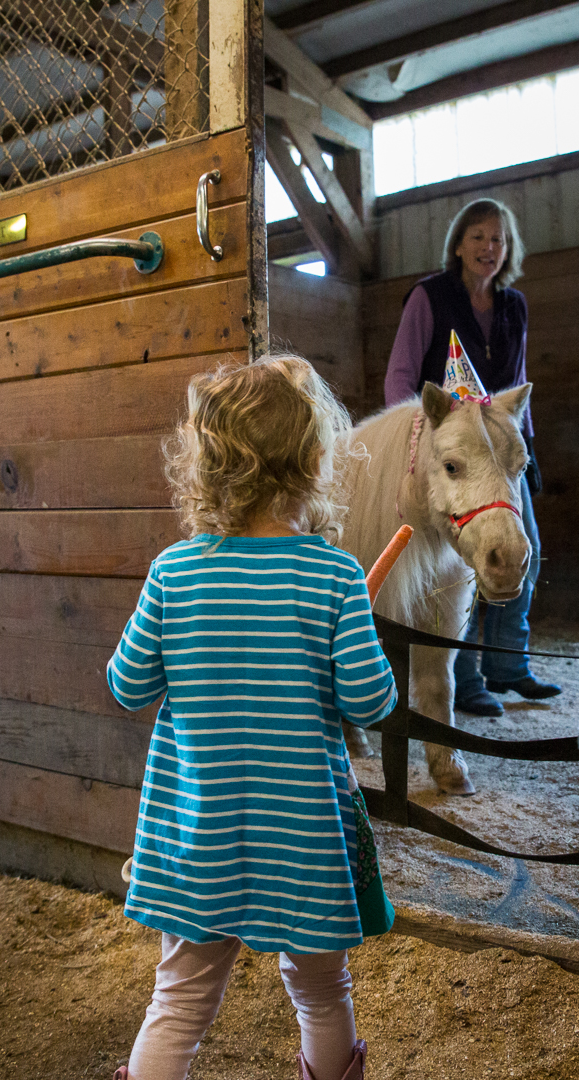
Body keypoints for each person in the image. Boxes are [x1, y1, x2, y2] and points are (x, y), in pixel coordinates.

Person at [106, 355, 397, 1080]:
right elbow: (371, 703)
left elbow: (127, 685)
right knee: (324, 995)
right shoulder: (332, 576)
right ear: (313, 460)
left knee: (177, 1002)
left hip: (198, 838)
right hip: (302, 841)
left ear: (205, 466)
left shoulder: (173, 571)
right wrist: (358, 628)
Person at [384, 198, 560, 717]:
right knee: (451, 565)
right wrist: (413, 444)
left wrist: (526, 458)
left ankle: (509, 665)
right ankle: (466, 675)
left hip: (499, 451)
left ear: (509, 251)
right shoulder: (427, 297)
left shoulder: (515, 306)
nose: (489, 247)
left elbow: (517, 382)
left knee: (523, 548)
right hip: (448, 450)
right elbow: (401, 374)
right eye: (479, 236)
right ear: (458, 244)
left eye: (499, 239)